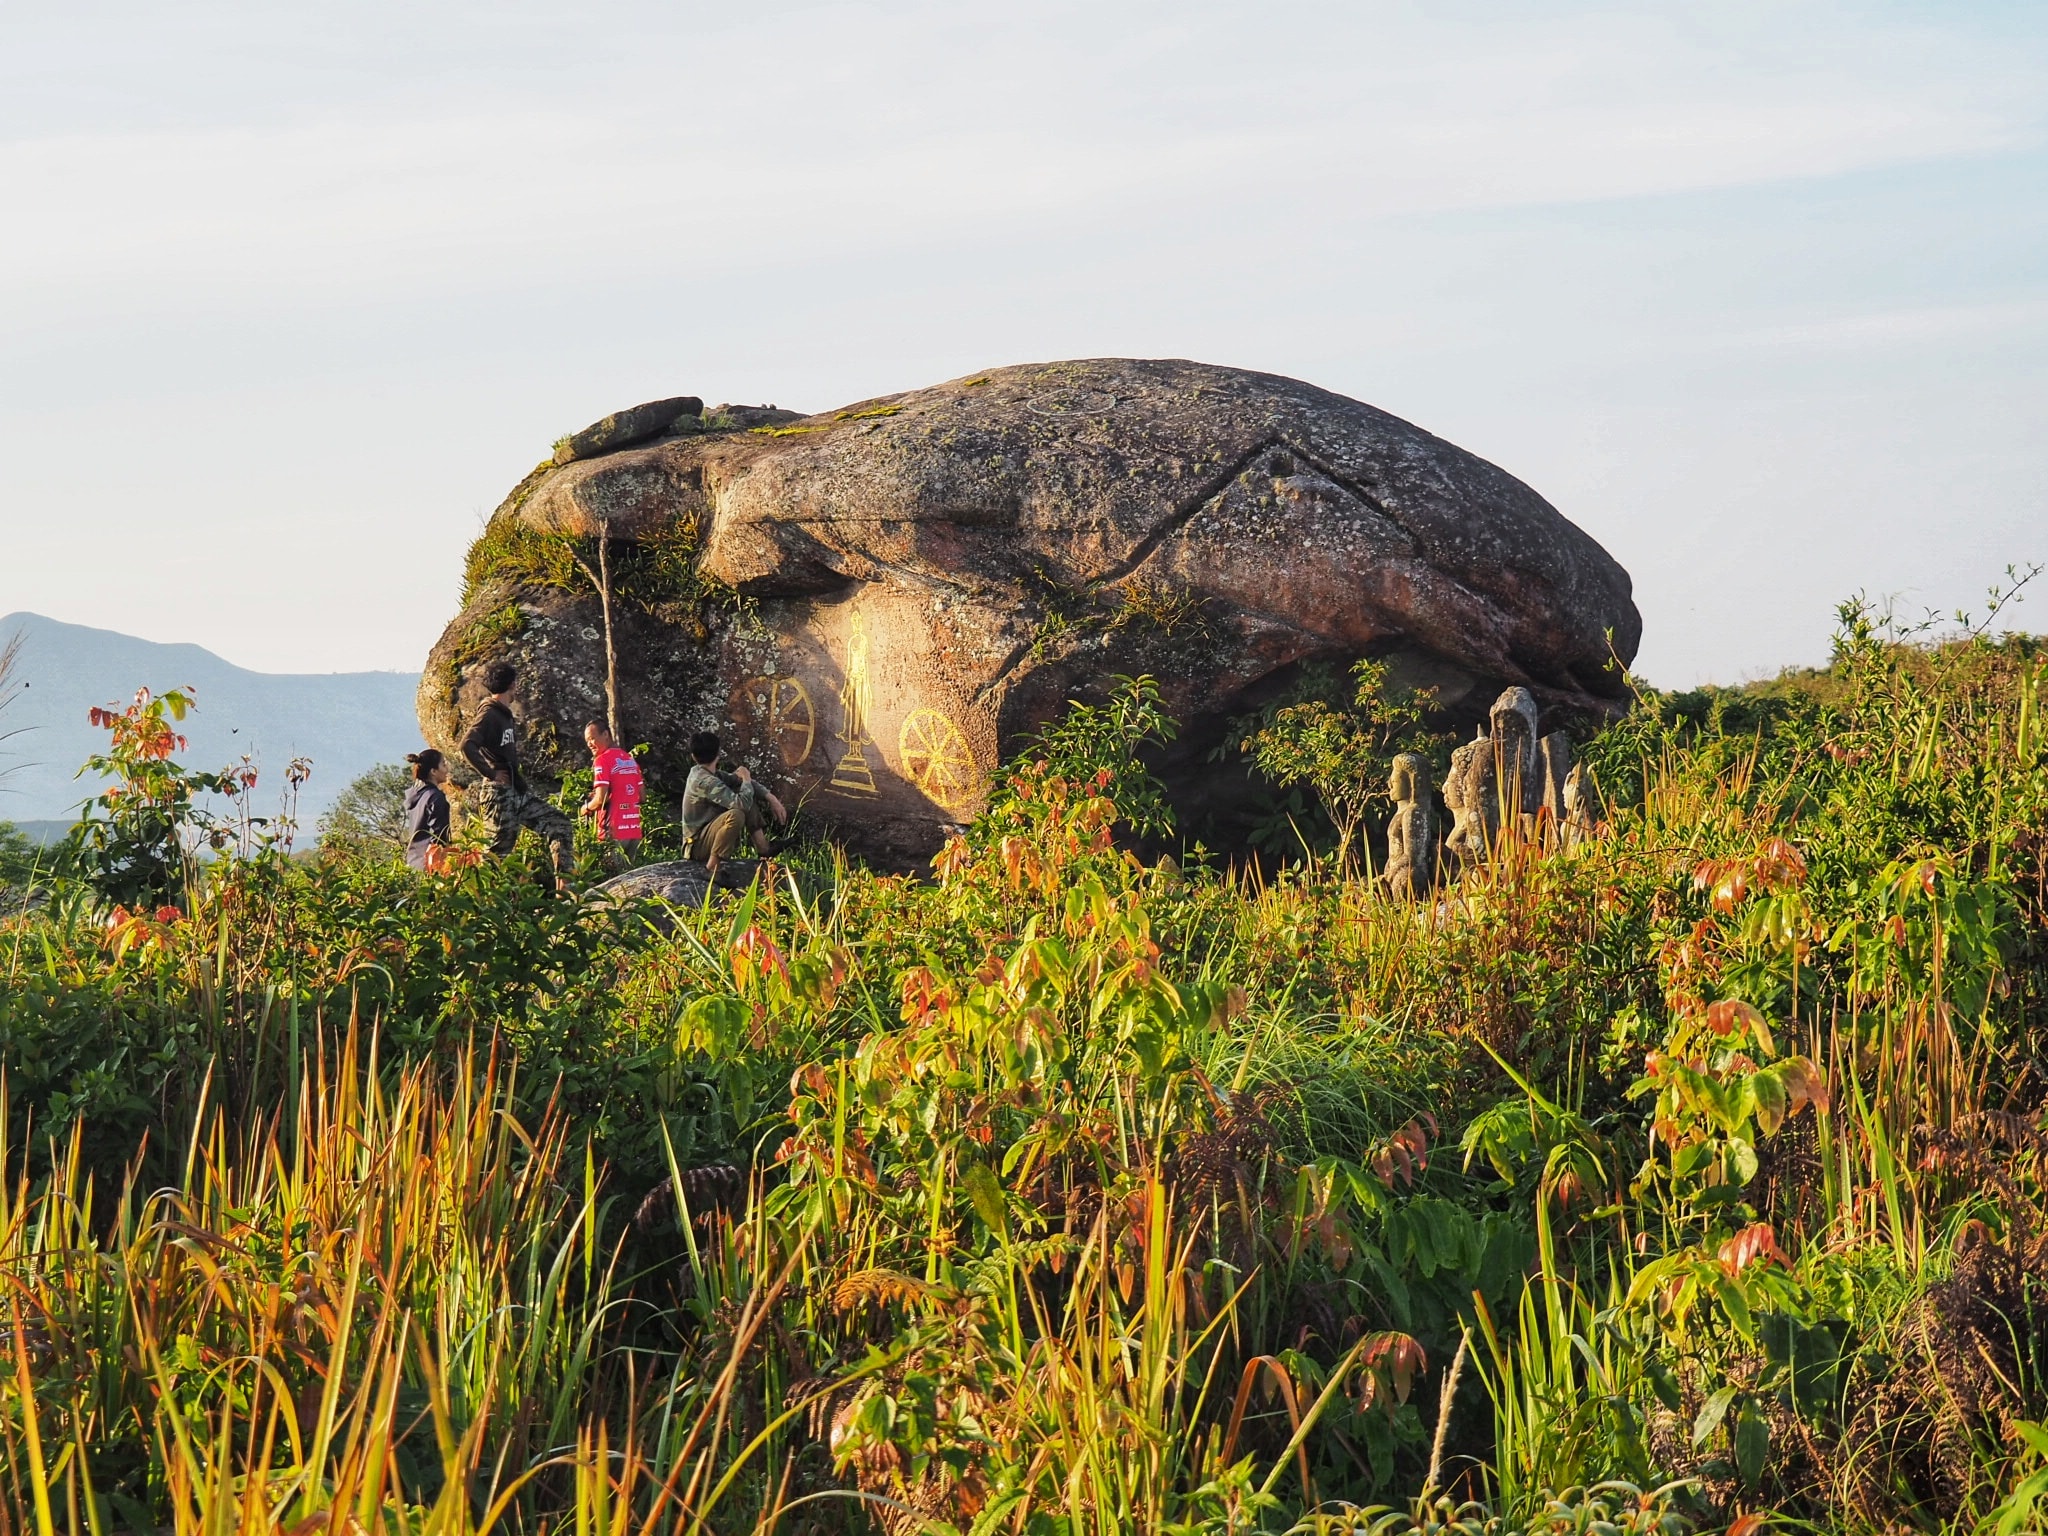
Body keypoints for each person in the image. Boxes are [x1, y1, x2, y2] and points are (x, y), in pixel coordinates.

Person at [459, 660, 574, 893]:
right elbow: (467, 745)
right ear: (512, 685)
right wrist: (490, 773)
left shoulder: (502, 714)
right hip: (499, 794)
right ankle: (476, 899)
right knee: (498, 850)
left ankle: (565, 891)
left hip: (516, 790)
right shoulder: (489, 713)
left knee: (559, 824)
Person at [682, 730, 786, 875]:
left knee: (743, 790)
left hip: (707, 835)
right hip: (697, 845)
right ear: (718, 754)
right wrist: (747, 779)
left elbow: (738, 781)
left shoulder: (708, 774)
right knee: (736, 813)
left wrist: (771, 798)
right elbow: (742, 803)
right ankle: (712, 867)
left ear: (693, 756)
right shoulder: (705, 781)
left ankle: (764, 850)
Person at [579, 721, 644, 872]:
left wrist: (586, 807)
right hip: (634, 830)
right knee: (631, 882)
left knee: (612, 882)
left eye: (592, 738)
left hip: (613, 832)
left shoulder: (602, 760)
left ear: (606, 734)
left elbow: (601, 800)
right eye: (587, 740)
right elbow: (642, 797)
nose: (589, 744)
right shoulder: (629, 759)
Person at [402, 749, 452, 871]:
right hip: (430, 863)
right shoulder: (435, 797)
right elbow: (439, 836)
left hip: (413, 862)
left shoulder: (416, 796)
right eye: (443, 765)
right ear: (433, 771)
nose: (447, 770)